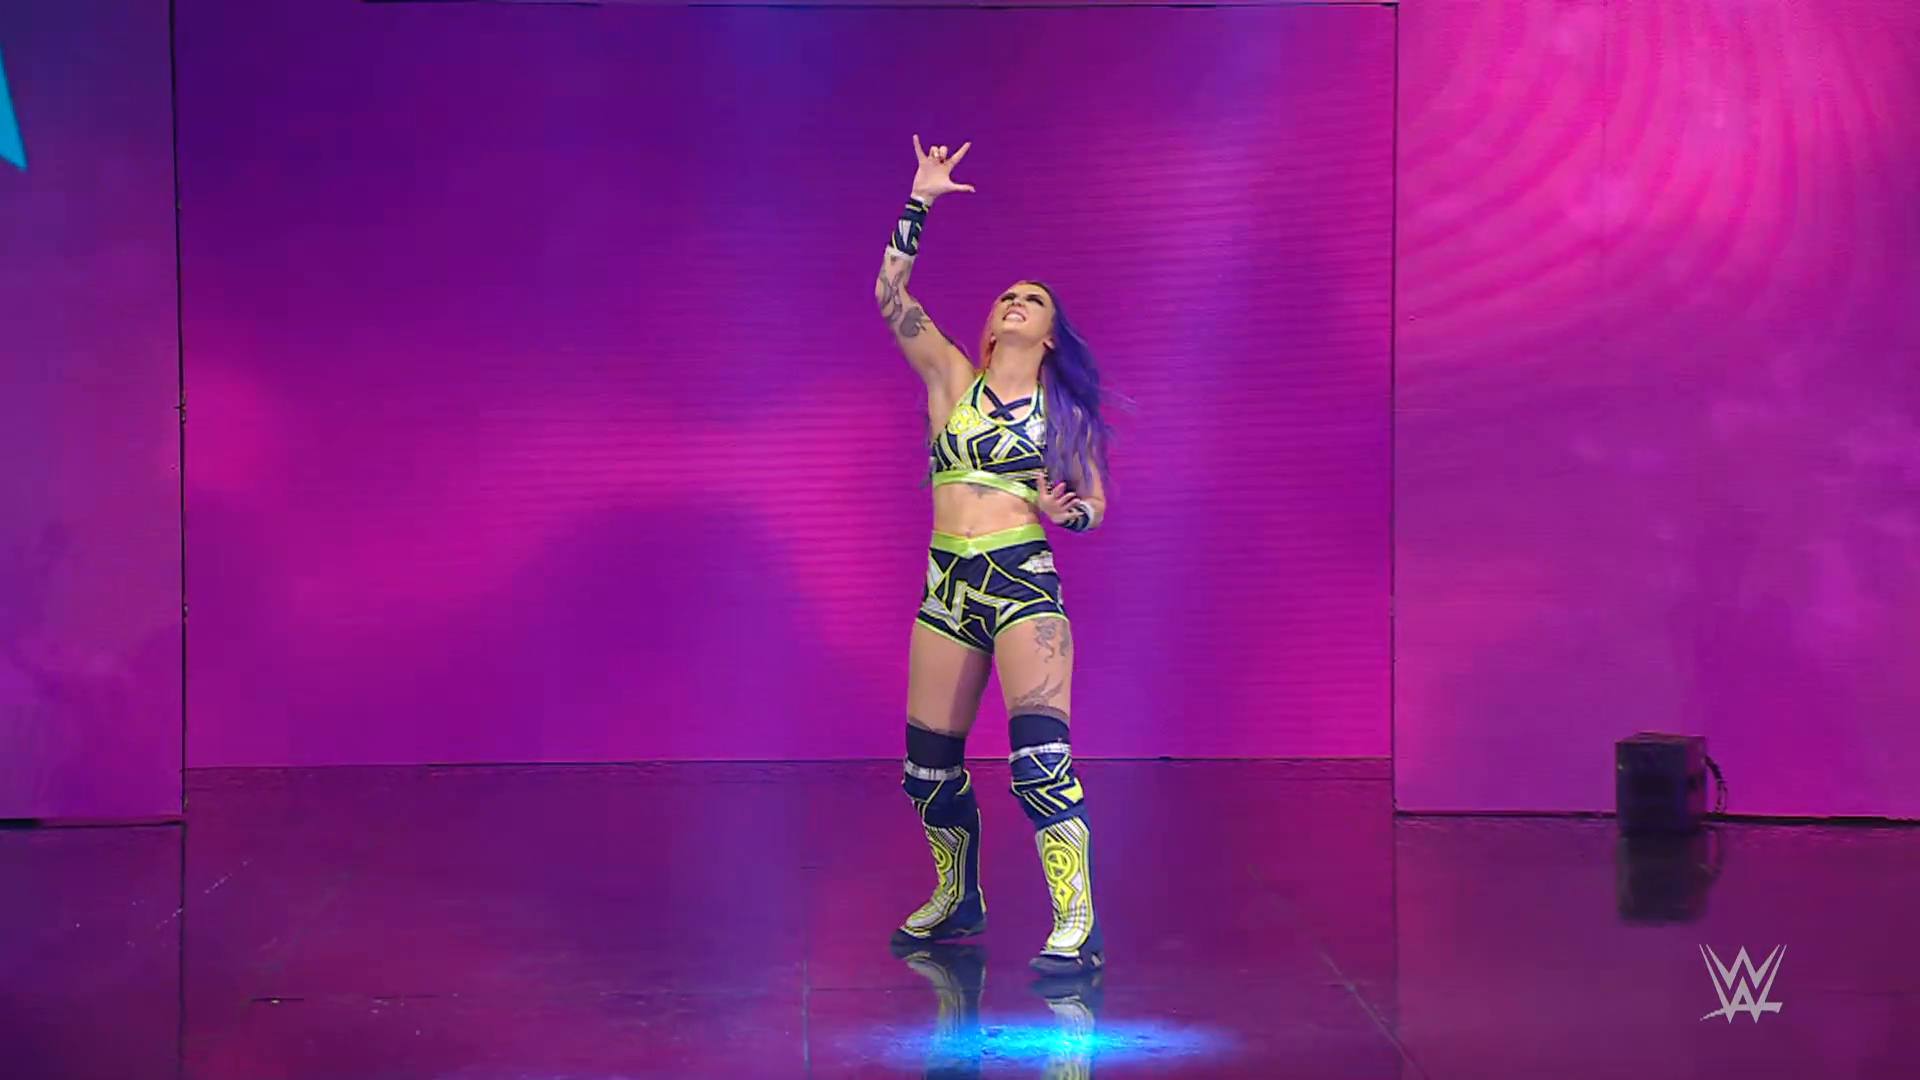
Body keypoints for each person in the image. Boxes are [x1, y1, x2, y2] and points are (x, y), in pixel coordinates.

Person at [875, 136, 1114, 976]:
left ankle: (1075, 914)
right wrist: (920, 201)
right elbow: (890, 293)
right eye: (1007, 295)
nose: (1016, 302)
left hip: (1021, 582)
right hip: (946, 584)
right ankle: (958, 895)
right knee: (927, 767)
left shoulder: (1065, 413)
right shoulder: (951, 379)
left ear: (1050, 333)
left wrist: (1068, 513)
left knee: (1040, 761)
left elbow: (1093, 505)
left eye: (1033, 299)